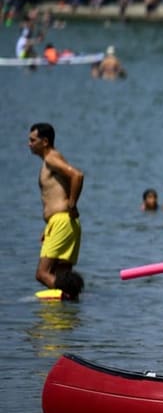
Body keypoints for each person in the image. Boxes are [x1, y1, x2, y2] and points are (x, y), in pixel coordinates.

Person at [29, 123, 85, 298]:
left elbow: (77, 175)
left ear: (45, 141)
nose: (29, 144)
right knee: (61, 276)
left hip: (62, 221)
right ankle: (64, 318)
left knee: (42, 273)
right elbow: (65, 184)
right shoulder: (54, 159)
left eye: (33, 140)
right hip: (64, 223)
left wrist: (72, 204)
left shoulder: (51, 158)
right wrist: (49, 227)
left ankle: (69, 296)